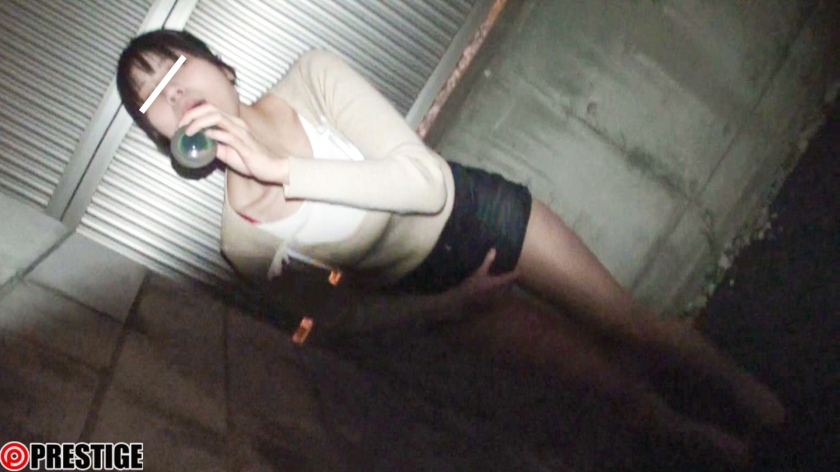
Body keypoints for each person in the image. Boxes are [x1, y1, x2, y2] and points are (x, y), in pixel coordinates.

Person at [116, 29, 784, 461]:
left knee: (630, 326)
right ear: (168, 142)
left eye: (177, 69)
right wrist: (451, 305)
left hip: (475, 214)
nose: (175, 96)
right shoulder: (241, 238)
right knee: (603, 387)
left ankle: (754, 398)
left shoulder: (312, 77)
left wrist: (282, 170)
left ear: (220, 66)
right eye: (154, 103)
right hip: (437, 295)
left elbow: (426, 184)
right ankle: (708, 445)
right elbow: (340, 322)